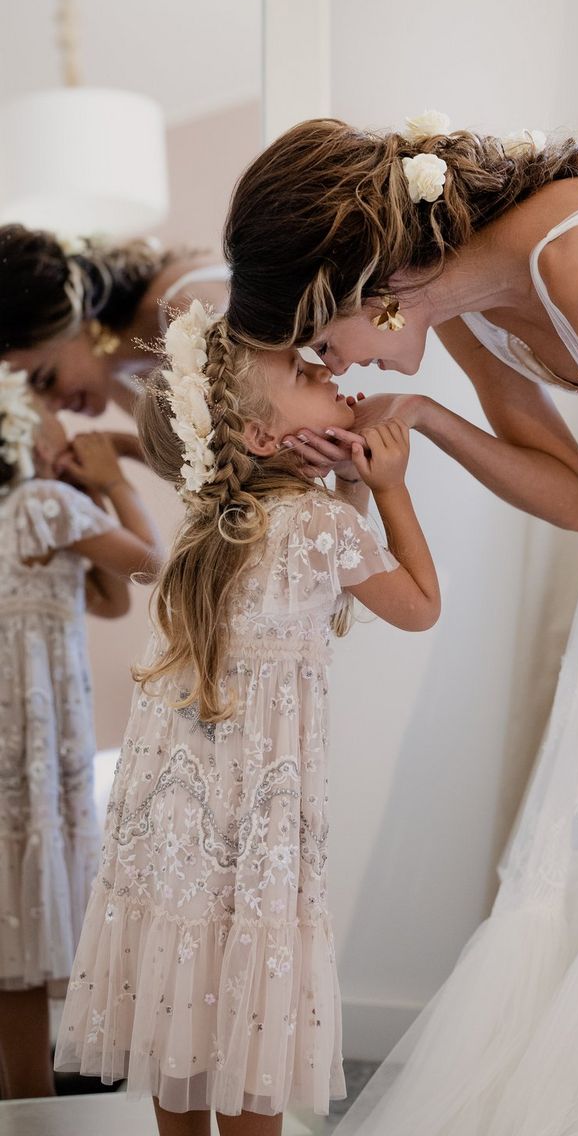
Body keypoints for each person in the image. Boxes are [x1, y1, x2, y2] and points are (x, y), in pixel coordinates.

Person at [220, 115, 578, 1134]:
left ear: (371, 290)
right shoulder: (456, 307)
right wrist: (432, 422)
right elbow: (577, 499)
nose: (335, 366)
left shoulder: (569, 262)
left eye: (322, 342)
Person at [54, 302, 439, 1134]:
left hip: (175, 827)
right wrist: (388, 487)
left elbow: (326, 580)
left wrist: (346, 489)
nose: (329, 371)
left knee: (182, 1004)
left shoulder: (212, 531)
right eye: (305, 373)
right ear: (262, 438)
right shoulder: (318, 526)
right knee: (250, 1014)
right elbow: (418, 607)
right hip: (258, 830)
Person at [0, 366, 162, 1098]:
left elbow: (101, 597)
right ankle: (34, 1102)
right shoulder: (42, 504)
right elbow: (148, 565)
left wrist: (89, 490)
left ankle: (23, 1096)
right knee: (27, 932)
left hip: (22, 737)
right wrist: (116, 476)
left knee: (14, 933)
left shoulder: (36, 509)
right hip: (33, 738)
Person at [0, 224, 229, 420]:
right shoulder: (116, 374)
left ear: (71, 315)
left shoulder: (187, 313)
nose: (50, 408)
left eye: (46, 379)